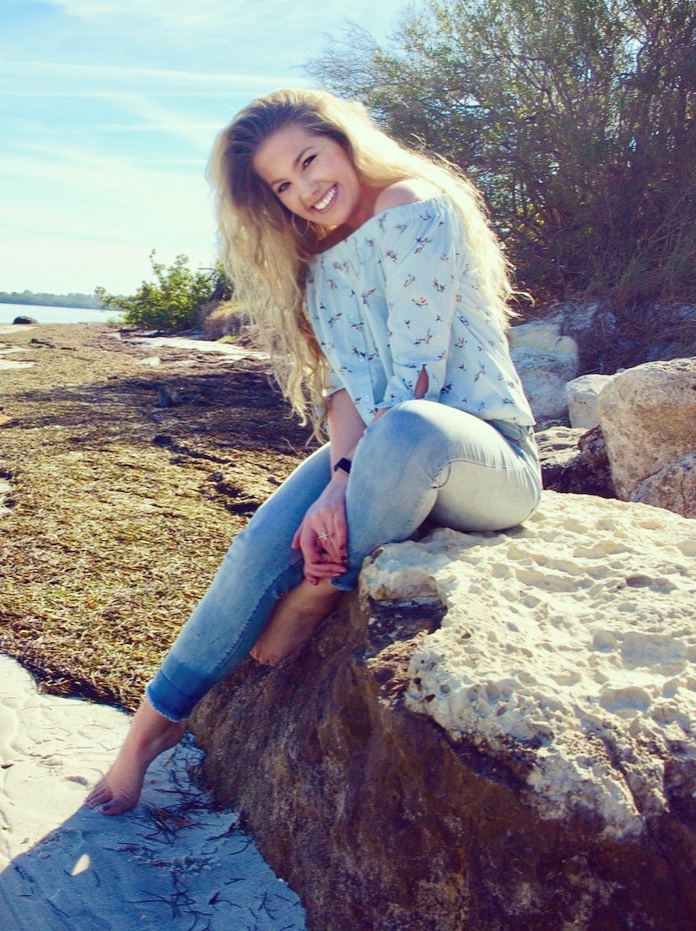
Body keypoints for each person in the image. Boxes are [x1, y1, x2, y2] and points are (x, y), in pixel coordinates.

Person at [85, 88, 542, 816]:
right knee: (257, 549)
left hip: (482, 457)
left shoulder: (412, 205)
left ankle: (319, 592)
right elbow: (344, 391)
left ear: (343, 141)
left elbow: (415, 374)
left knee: (409, 427)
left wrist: (346, 486)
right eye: (282, 185)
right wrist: (336, 481)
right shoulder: (319, 260)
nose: (305, 190)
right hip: (383, 455)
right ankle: (150, 729)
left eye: (308, 160)